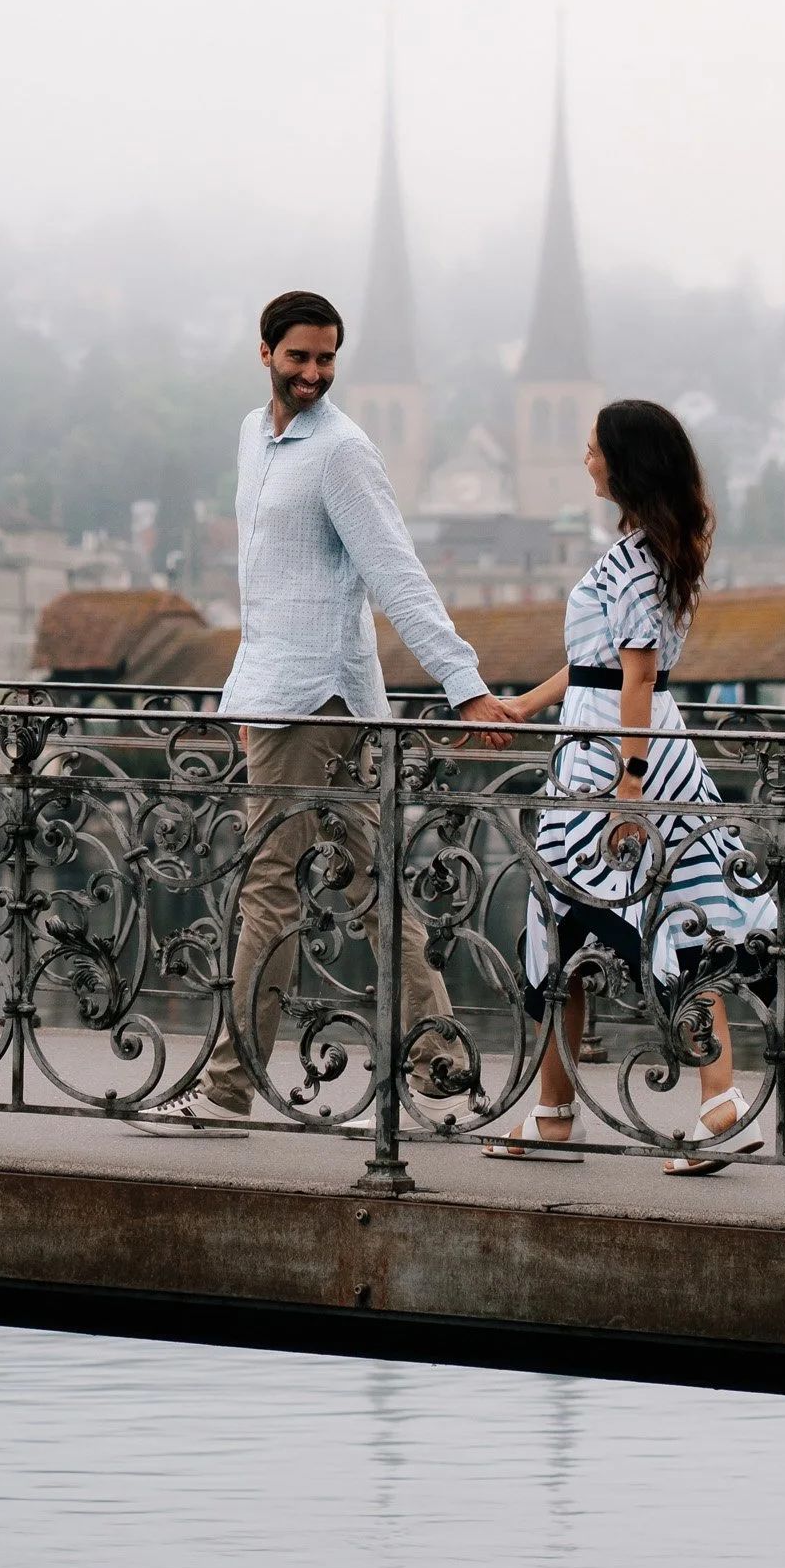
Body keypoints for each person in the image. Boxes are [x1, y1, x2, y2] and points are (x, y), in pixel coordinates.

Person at [182, 289, 512, 1123]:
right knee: (368, 887)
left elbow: (395, 571)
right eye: (299, 357)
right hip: (282, 693)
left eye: (327, 358)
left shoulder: (342, 453)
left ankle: (226, 1089)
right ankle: (439, 1058)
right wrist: (246, 693)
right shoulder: (253, 439)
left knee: (269, 890)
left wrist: (463, 682)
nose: (314, 374)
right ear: (264, 353)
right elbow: (268, 583)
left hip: (318, 701)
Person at [486, 397, 776, 1172]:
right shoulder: (649, 549)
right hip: (611, 741)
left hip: (613, 758)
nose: (584, 459)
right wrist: (527, 701)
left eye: (592, 449)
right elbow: (600, 662)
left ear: (625, 461)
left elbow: (637, 678)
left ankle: (579, 1114)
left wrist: (628, 786)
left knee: (578, 921)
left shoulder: (639, 558)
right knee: (662, 915)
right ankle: (688, 1106)